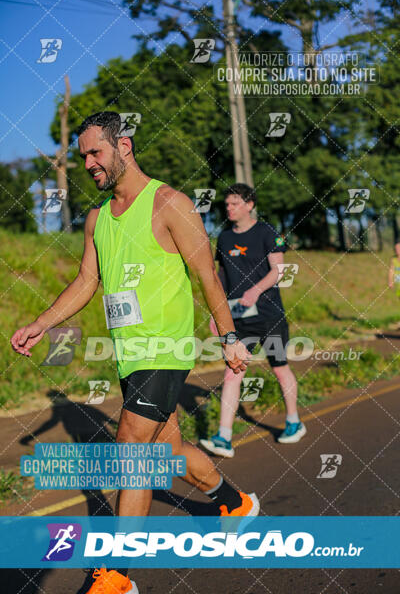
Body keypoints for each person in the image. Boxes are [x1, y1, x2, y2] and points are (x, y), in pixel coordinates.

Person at [10, 113, 259, 594]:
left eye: (95, 152)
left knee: (131, 451)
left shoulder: (170, 203)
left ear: (123, 145)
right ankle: (235, 504)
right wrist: (41, 323)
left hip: (166, 349)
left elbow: (206, 275)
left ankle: (117, 576)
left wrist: (228, 337)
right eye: (82, 155)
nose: (87, 163)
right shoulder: (98, 218)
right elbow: (87, 281)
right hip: (129, 355)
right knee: (166, 451)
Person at [200, 183, 306, 459]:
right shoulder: (223, 238)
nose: (229, 208)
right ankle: (224, 437)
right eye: (227, 204)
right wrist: (217, 312)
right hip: (237, 319)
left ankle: (294, 421)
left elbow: (279, 270)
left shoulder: (268, 232)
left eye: (235, 203)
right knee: (232, 372)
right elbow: (220, 277)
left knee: (280, 367)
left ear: (250, 204)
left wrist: (255, 290)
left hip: (269, 314)